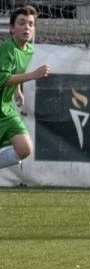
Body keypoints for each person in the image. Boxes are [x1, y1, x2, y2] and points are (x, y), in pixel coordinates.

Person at [0, 5, 50, 169]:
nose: (27, 27)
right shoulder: (7, 48)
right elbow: (2, 78)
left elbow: (13, 72)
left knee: (24, 148)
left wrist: (18, 90)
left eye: (30, 24)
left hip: (5, 110)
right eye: (21, 23)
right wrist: (32, 75)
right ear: (12, 28)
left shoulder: (28, 50)